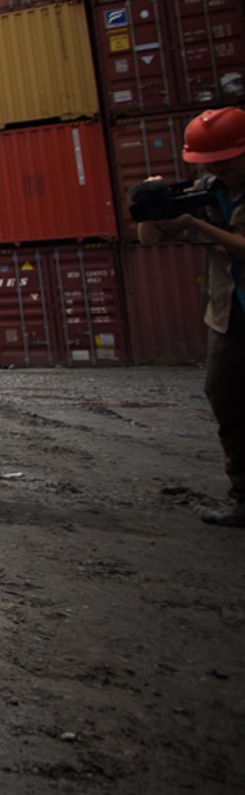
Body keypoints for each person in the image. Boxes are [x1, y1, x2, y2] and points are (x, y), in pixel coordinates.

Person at [136, 106, 245, 526]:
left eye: (228, 159)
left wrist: (196, 226)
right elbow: (148, 239)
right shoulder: (205, 190)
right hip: (228, 314)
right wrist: (150, 207)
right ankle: (243, 496)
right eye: (211, 162)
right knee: (227, 399)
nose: (220, 168)